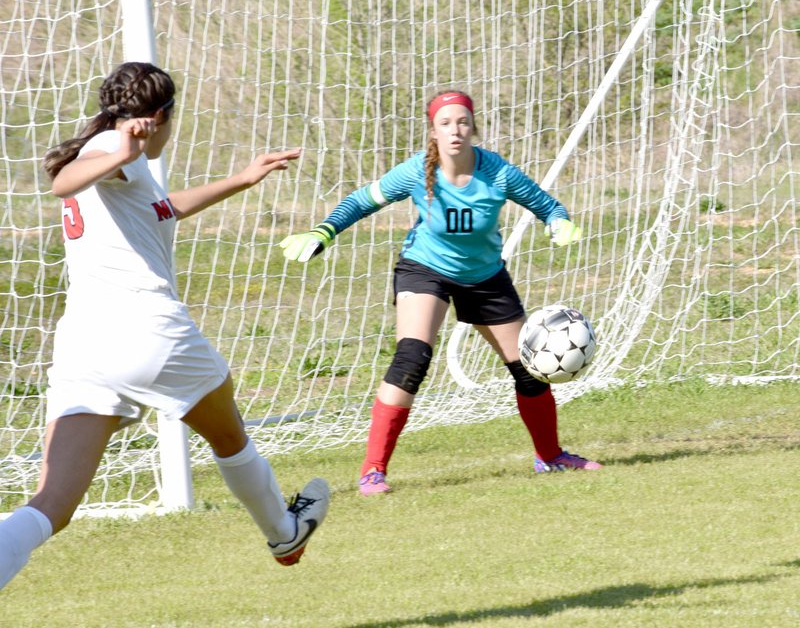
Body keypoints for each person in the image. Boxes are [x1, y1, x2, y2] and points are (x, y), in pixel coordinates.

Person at [0, 62, 329, 590]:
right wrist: (125, 153)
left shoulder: (118, 156)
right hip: (147, 332)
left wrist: (243, 178)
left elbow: (161, 209)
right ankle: (283, 532)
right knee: (230, 438)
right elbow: (64, 183)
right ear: (159, 116)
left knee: (52, 506)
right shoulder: (112, 152)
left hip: (85, 349)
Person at [280, 90, 601, 496]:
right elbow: (362, 201)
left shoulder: (497, 172)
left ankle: (550, 456)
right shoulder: (416, 171)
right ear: (434, 131)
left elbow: (546, 204)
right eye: (446, 123)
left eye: (463, 122)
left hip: (485, 276)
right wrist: (323, 231)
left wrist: (558, 223)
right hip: (424, 269)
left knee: (529, 370)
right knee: (411, 359)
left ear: (473, 128)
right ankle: (372, 471)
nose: (456, 130)